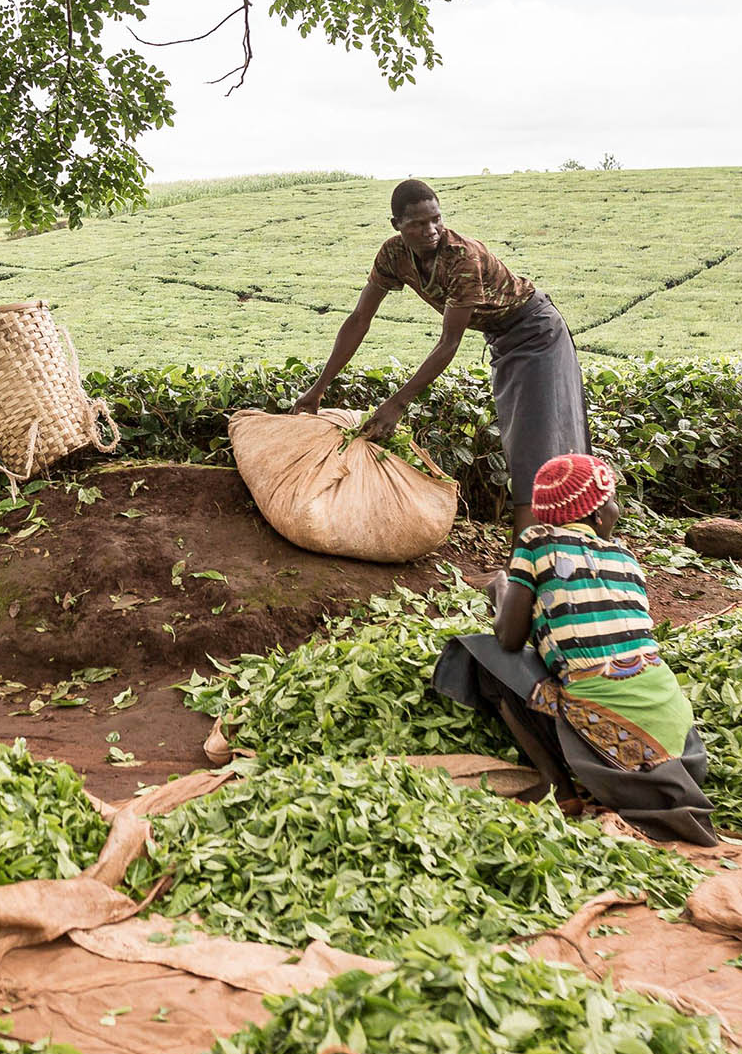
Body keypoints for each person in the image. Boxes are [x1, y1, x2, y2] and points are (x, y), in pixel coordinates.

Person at [431, 454, 715, 844]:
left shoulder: (536, 542)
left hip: (628, 769)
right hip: (686, 757)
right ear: (597, 515)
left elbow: (509, 640)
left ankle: (556, 788)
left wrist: (499, 586)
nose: (618, 509)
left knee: (481, 655)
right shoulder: (627, 559)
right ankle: (571, 780)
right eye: (613, 500)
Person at [295, 179, 587, 537]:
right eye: (417, 223)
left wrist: (398, 403)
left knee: (534, 443)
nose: (431, 230)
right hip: (503, 339)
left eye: (436, 219)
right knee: (522, 440)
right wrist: (318, 388)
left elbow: (449, 343)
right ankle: (551, 546)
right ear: (397, 226)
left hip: (537, 333)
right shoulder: (393, 255)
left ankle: (525, 564)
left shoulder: (462, 257)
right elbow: (359, 320)